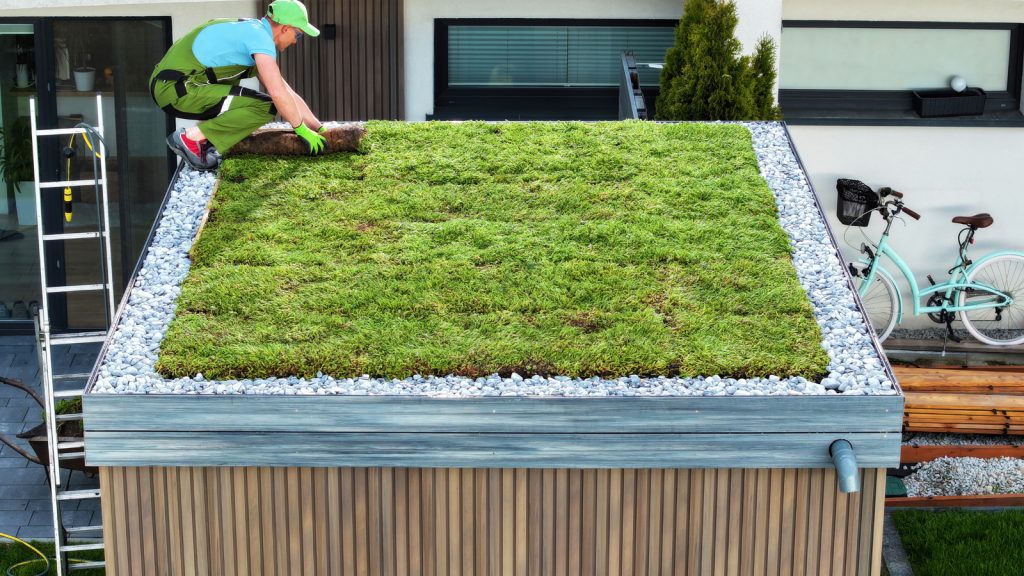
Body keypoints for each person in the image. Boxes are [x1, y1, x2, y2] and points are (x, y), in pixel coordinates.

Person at [149, 0, 328, 171]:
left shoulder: (248, 30)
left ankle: (204, 139)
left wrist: (318, 128)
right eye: (297, 34)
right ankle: (190, 137)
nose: (295, 41)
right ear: (285, 28)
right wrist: (301, 129)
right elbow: (277, 93)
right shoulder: (259, 39)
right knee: (265, 107)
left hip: (171, 87)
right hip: (177, 90)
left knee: (242, 91)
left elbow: (285, 90)